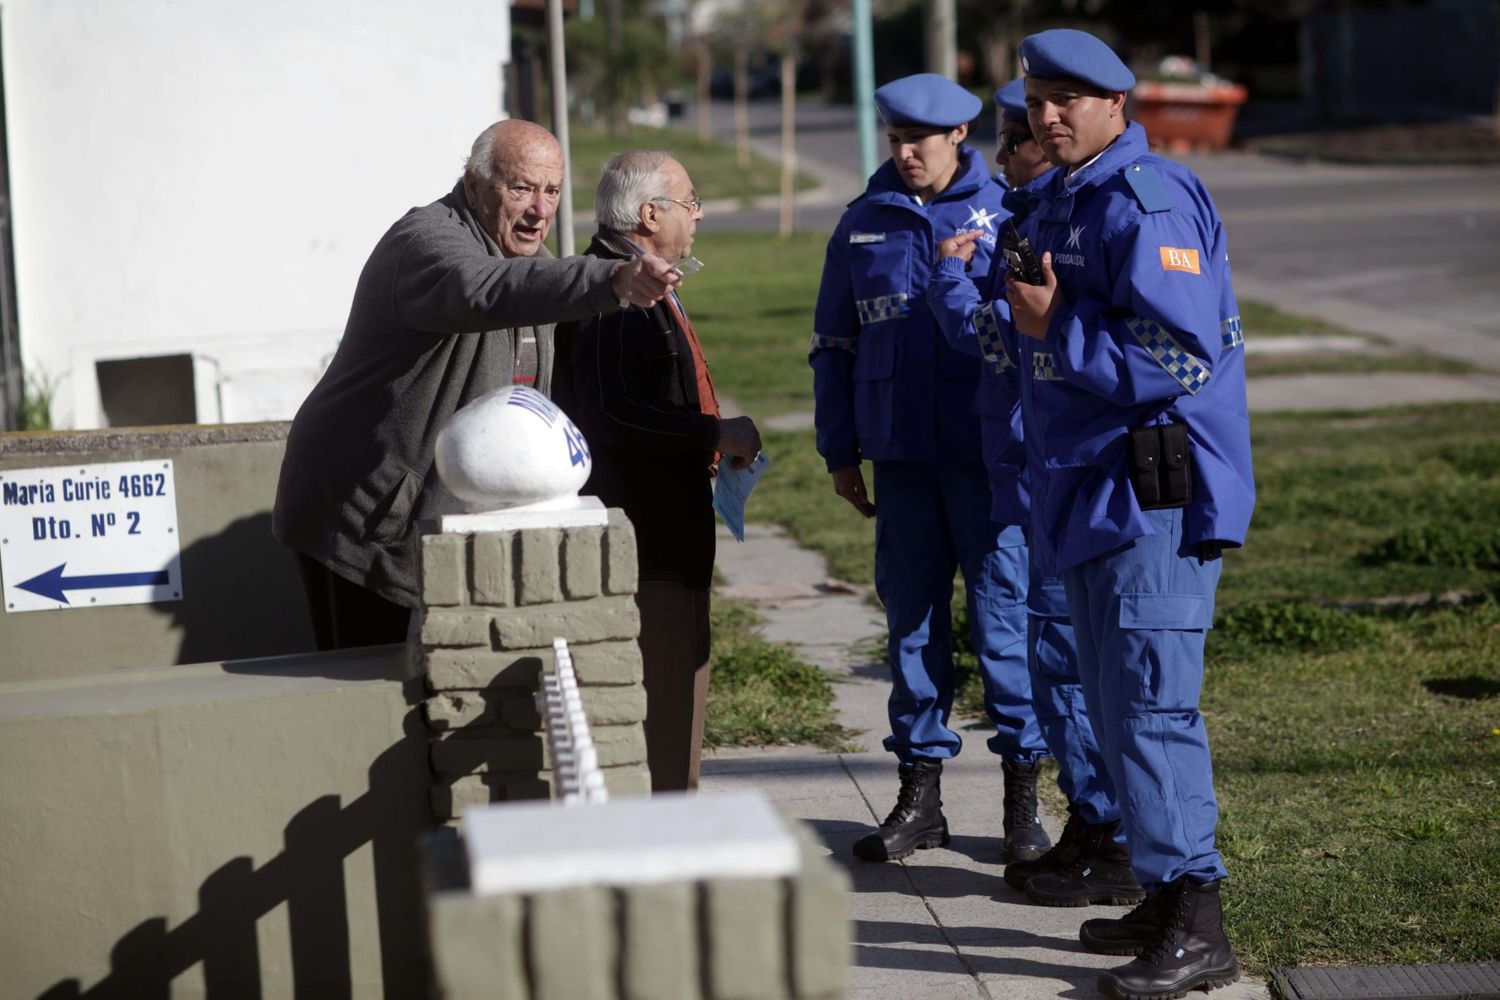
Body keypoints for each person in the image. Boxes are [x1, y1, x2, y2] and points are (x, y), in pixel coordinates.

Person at [994, 29, 1254, 999]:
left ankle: (1199, 915)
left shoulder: (1148, 199)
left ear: (1116, 105)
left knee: (1150, 706)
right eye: (1036, 97)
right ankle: (1161, 888)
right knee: (1113, 707)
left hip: (1153, 496)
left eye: (1069, 98)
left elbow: (1182, 356)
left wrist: (1053, 328)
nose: (1047, 114)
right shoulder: (1067, 195)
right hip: (1091, 491)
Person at [274, 120, 680, 650]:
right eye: (521, 188)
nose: (540, 209)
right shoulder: (425, 242)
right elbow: (480, 290)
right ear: (472, 182)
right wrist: (611, 278)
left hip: (436, 522)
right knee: (371, 692)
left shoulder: (532, 263)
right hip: (359, 519)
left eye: (552, 191)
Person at [809, 72, 1050, 864]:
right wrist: (841, 451)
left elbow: (1034, 335)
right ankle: (920, 800)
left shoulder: (1011, 211)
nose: (907, 152)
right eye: (895, 139)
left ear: (958, 138)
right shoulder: (863, 223)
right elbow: (834, 346)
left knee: (1002, 623)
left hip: (989, 461)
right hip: (903, 458)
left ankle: (1023, 801)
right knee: (910, 623)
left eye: (923, 139)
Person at [931, 78, 1142, 910]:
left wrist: (953, 284)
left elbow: (1004, 337)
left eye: (1013, 141)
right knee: (1054, 665)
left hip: (1057, 474)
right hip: (1030, 477)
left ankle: (1111, 833)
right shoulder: (1033, 218)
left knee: (1068, 663)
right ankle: (1092, 824)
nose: (1012, 152)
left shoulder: (1057, 222)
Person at [552, 150, 761, 792]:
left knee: (679, 701)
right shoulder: (615, 289)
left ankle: (675, 820)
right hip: (645, 540)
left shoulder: (640, 280)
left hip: (668, 532)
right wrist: (713, 432)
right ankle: (667, 843)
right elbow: (612, 413)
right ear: (650, 214)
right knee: (661, 709)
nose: (697, 216)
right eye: (689, 202)